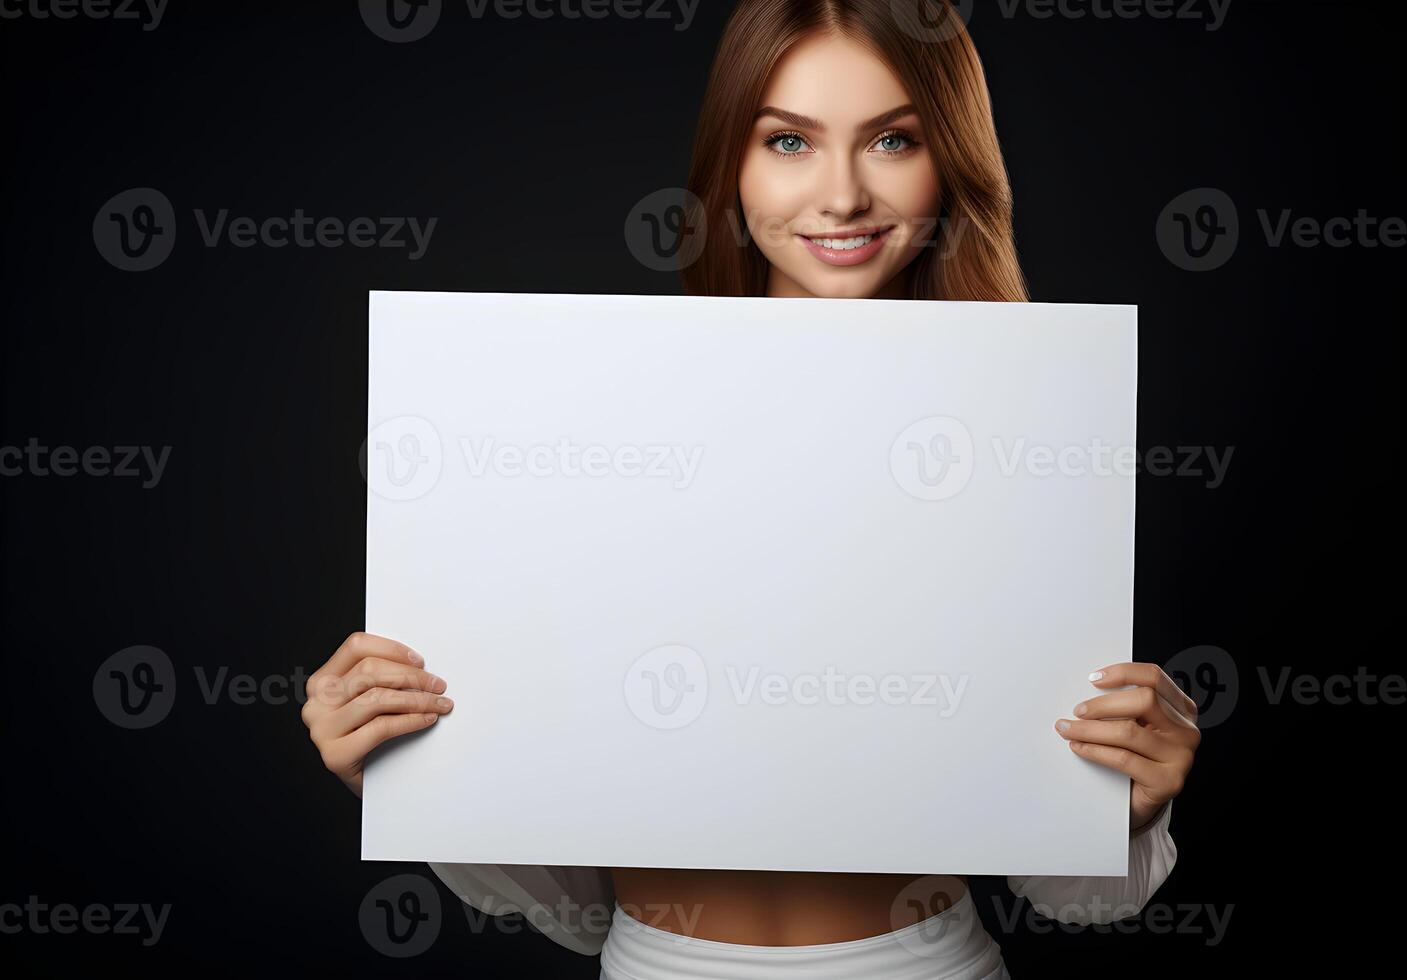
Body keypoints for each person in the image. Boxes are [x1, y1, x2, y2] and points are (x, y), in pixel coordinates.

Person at [300, 1, 1201, 976]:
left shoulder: (1030, 439)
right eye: (789, 140)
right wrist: (409, 761)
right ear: (733, 161)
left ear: (953, 162)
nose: (843, 194)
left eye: (894, 139)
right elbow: (564, 894)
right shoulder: (592, 423)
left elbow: (1068, 893)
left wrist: (1131, 800)